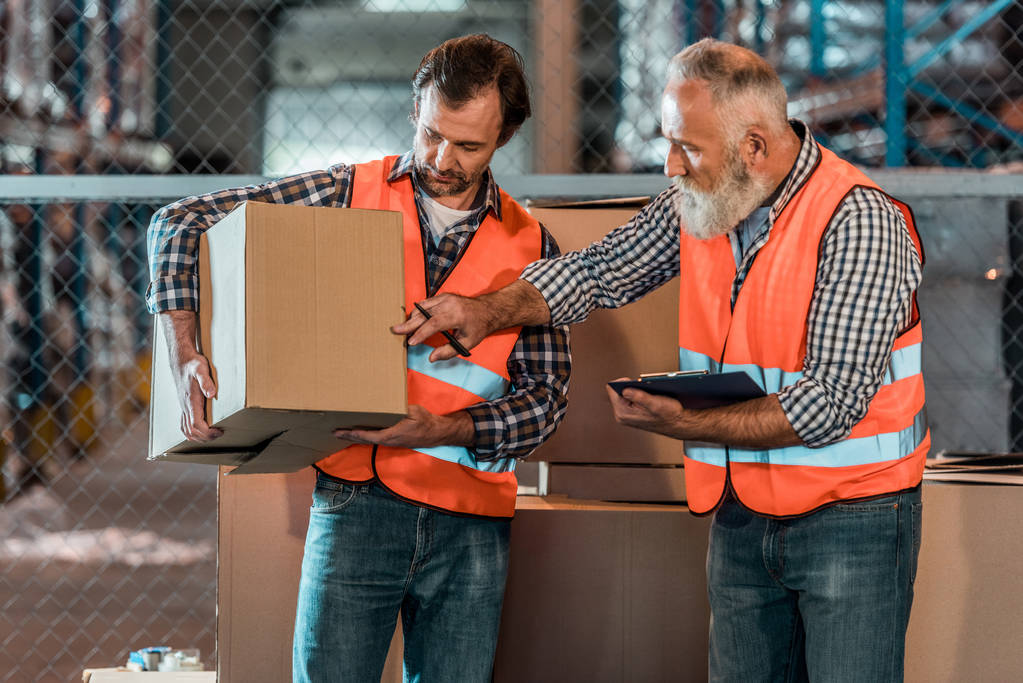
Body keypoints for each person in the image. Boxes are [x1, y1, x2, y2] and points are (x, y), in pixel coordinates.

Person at [399, 38, 927, 682]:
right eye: (668, 142)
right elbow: (600, 270)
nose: (671, 166)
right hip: (744, 507)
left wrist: (685, 424)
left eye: (689, 148)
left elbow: (830, 404)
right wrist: (483, 311)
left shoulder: (859, 221)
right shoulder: (707, 197)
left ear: (755, 148)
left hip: (855, 516)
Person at [145, 34, 570, 682]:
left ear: (504, 138)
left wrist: (447, 429)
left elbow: (545, 400)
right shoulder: (347, 192)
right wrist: (183, 353)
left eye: (467, 145)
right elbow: (179, 222)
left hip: (472, 521)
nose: (440, 158)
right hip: (356, 501)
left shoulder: (534, 245)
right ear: (414, 112)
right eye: (430, 133)